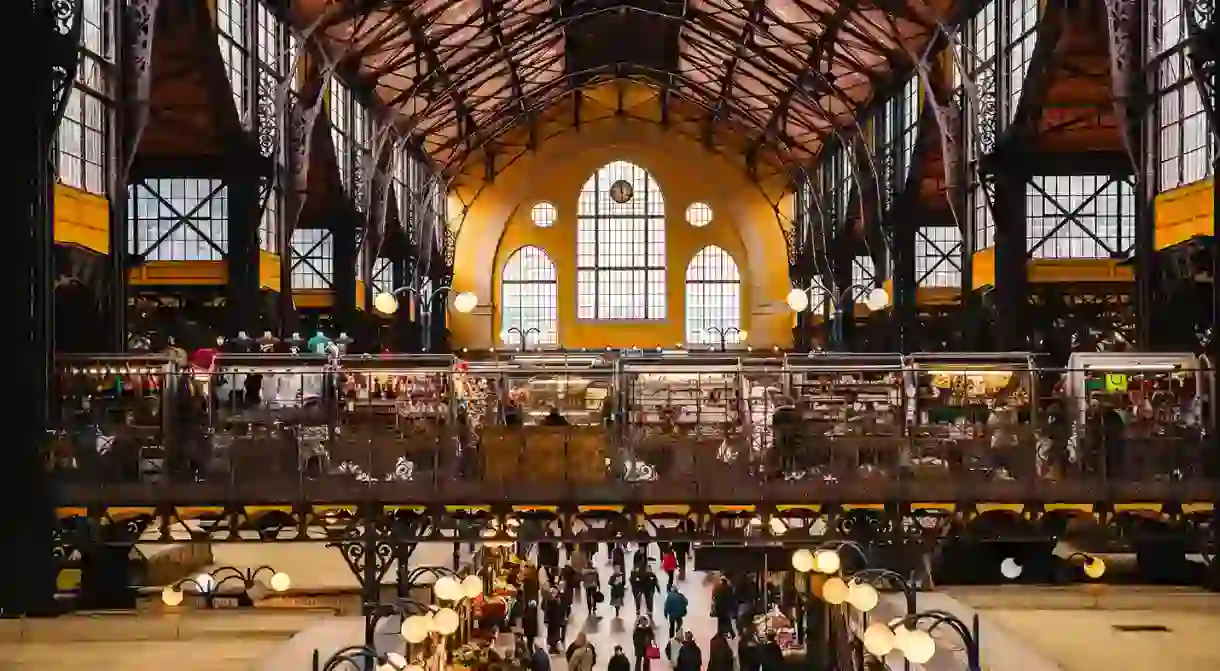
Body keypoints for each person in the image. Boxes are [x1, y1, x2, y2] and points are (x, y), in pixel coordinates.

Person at [544, 587, 565, 654]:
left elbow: (561, 609)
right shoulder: (549, 600)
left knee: (556, 634)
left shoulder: (558, 599)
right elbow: (546, 610)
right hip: (552, 620)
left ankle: (554, 647)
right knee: (552, 634)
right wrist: (546, 620)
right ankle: (552, 648)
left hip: (556, 620)